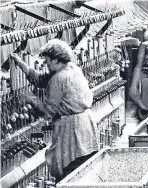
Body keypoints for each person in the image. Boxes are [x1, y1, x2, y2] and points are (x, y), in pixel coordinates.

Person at [9, 39, 99, 182]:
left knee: (68, 172)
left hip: (73, 128)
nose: (47, 64)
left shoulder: (59, 78)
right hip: (86, 124)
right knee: (81, 168)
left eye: (48, 61)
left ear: (56, 60)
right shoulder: (72, 68)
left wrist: (30, 99)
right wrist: (19, 62)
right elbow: (39, 79)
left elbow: (48, 111)